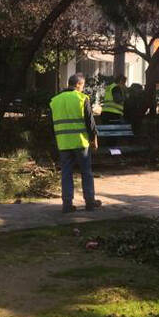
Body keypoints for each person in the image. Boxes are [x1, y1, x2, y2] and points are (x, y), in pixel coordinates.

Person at [50, 73, 102, 213]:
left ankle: (67, 204)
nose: (83, 89)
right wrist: (94, 140)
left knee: (66, 173)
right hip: (80, 142)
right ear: (78, 84)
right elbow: (90, 123)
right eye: (82, 86)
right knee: (86, 172)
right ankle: (90, 202)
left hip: (63, 143)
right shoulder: (82, 98)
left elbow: (51, 124)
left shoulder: (55, 100)